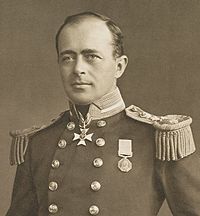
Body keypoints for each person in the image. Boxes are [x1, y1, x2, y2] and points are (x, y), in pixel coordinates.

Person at [6, 11, 200, 216]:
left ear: (119, 66)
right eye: (68, 58)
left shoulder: (158, 139)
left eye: (92, 56)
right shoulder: (40, 143)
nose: (78, 68)